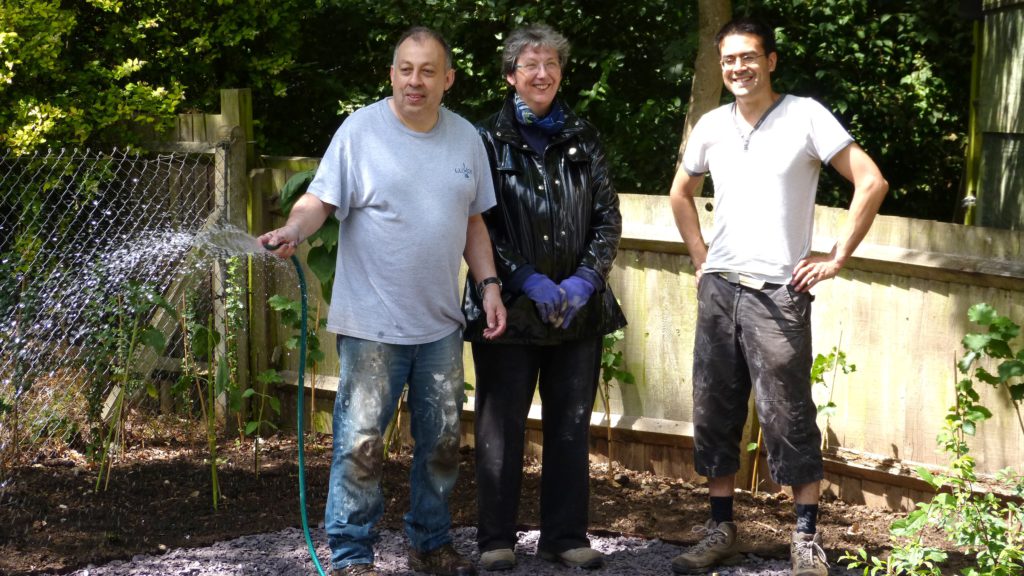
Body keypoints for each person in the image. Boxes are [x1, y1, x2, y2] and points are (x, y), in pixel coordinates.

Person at [260, 26, 506, 576]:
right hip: (372, 324)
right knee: (361, 445)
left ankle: (430, 543)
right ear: (391, 73)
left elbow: (473, 223)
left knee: (441, 445)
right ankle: (351, 556)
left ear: (448, 79)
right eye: (404, 69)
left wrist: (488, 285)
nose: (413, 81)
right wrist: (294, 231)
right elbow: (318, 200)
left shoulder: (467, 138)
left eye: (426, 71)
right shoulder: (360, 132)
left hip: (440, 324)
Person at [668, 16, 888, 576]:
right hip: (721, 290)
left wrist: (836, 256)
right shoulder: (712, 125)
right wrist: (701, 258)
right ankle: (720, 530)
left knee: (788, 416)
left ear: (770, 61)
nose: (737, 67)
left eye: (748, 57)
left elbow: (871, 181)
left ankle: (805, 539)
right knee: (714, 412)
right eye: (728, 60)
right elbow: (680, 192)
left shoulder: (806, 116)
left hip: (778, 294)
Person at [462, 24, 627, 572]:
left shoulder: (585, 136)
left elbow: (608, 217)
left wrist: (584, 280)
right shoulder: (483, 140)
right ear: (510, 76)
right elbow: (478, 222)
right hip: (507, 309)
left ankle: (563, 535)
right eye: (529, 64)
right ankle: (495, 540)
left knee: (570, 424)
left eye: (550, 63)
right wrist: (525, 280)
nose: (541, 73)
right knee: (499, 426)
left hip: (577, 314)